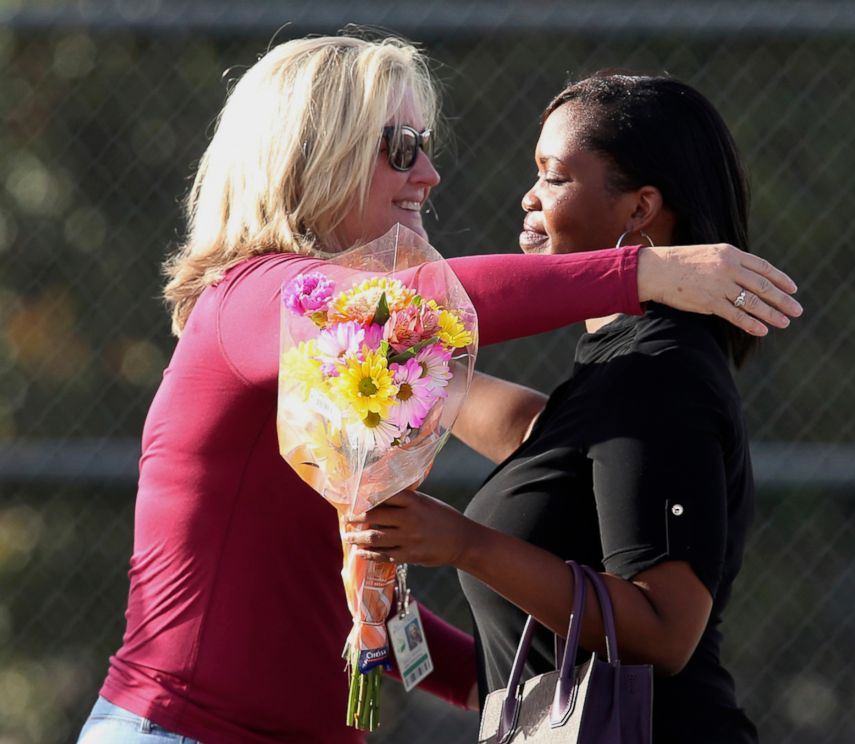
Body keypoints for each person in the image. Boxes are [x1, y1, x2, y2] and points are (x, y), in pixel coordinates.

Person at [78, 34, 799, 744]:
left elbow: (530, 435)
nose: (428, 172)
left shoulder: (344, 352)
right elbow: (424, 305)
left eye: (424, 144)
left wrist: (498, 684)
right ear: (314, 159)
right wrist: (642, 273)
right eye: (399, 148)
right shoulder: (257, 298)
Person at [348, 72, 769, 742]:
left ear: (639, 210)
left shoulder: (657, 374)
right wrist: (401, 369)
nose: (529, 197)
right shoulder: (619, 363)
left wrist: (464, 542)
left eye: (553, 176)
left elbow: (665, 633)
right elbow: (541, 440)